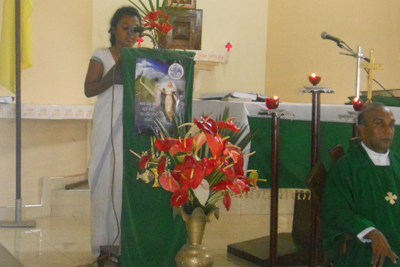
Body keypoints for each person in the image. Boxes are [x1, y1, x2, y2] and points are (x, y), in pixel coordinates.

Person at [84, 6, 141, 255]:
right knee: (104, 182)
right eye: (125, 27)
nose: (130, 33)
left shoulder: (141, 58)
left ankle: (121, 245)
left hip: (131, 130)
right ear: (114, 29)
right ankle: (101, 245)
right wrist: (112, 76)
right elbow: (89, 89)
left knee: (122, 184)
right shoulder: (102, 55)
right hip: (106, 129)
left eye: (135, 29)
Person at [322, 102, 400, 267]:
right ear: (362, 130)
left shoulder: (398, 163)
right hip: (364, 244)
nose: (388, 131)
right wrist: (371, 232)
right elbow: (335, 210)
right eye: (379, 124)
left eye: (391, 125)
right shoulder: (347, 166)